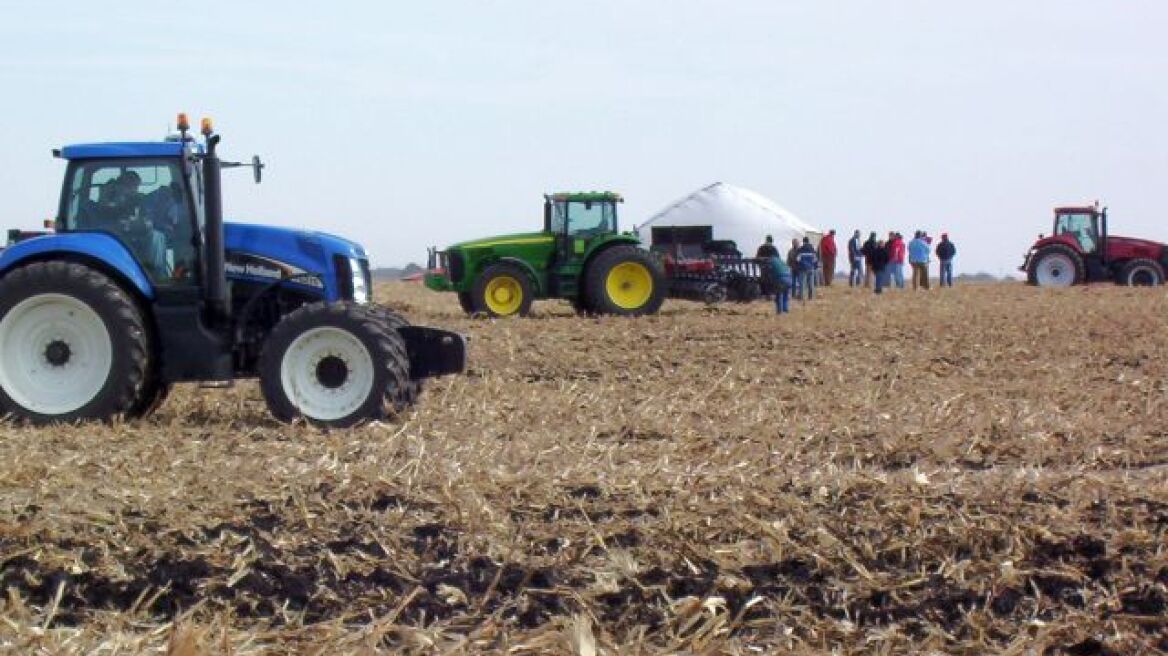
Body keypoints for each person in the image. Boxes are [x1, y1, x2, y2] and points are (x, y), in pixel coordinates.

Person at [795, 237, 819, 301]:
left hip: (802, 268)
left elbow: (797, 259)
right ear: (808, 241)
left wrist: (798, 266)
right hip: (811, 268)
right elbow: (815, 260)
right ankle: (810, 297)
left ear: (803, 242)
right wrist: (814, 267)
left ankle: (802, 297)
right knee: (811, 283)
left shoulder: (800, 249)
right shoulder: (813, 250)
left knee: (802, 284)